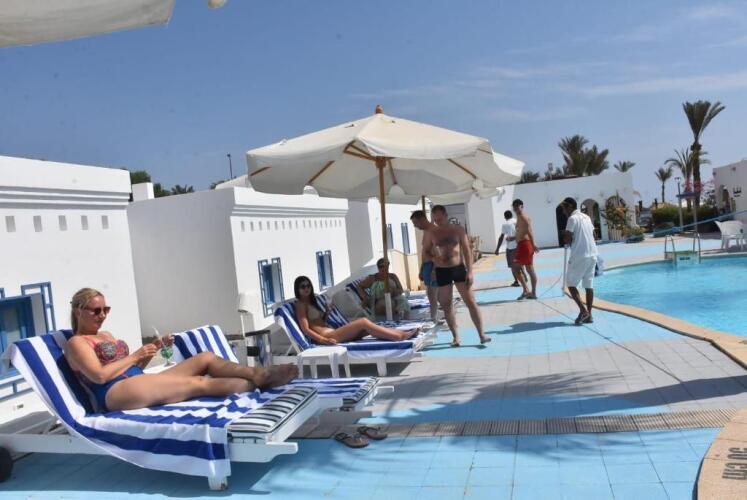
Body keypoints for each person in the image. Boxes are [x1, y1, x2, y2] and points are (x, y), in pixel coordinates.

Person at [64, 288, 297, 412]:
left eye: (106, 309)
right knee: (197, 383)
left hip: (135, 379)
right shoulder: (77, 343)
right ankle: (256, 385)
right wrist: (135, 355)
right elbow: (99, 375)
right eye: (96, 311)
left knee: (205, 358)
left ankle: (258, 375)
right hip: (113, 392)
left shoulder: (106, 335)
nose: (102, 315)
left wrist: (151, 352)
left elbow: (132, 368)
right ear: (78, 312)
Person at [422, 205, 490, 346]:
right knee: (446, 304)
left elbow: (467, 250)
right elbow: (426, 251)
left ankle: (482, 334)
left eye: (440, 219)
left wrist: (470, 271)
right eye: (435, 220)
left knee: (470, 301)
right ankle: (456, 336)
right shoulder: (431, 233)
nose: (438, 222)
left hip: (458, 268)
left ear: (445, 215)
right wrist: (434, 258)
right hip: (442, 271)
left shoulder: (458, 230)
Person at [294, 276, 418, 344]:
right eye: (303, 286)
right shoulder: (300, 305)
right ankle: (400, 337)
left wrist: (327, 312)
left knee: (369, 328)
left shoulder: (311, 302)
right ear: (297, 289)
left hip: (332, 332)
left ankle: (401, 333)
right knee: (363, 322)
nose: (306, 288)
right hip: (328, 336)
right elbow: (305, 329)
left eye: (308, 285)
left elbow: (319, 322)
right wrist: (324, 340)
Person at [560, 197, 599, 325]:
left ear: (570, 207)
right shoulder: (586, 217)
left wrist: (564, 235)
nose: (563, 211)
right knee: (589, 285)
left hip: (580, 255)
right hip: (593, 254)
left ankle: (583, 311)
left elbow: (568, 239)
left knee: (571, 284)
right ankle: (589, 315)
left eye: (564, 208)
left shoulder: (572, 219)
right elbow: (594, 235)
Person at [410, 209, 440, 322]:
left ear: (422, 219)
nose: (415, 226)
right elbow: (425, 252)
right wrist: (422, 269)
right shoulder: (426, 231)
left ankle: (434, 318)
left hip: (433, 265)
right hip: (427, 265)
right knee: (432, 295)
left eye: (415, 223)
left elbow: (438, 253)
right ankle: (435, 317)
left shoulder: (434, 231)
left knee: (434, 295)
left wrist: (434, 270)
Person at [512, 199, 539, 300]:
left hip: (524, 245)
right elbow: (521, 232)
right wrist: (513, 238)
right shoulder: (519, 217)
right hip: (522, 244)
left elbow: (529, 231)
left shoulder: (523, 217)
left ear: (522, 206)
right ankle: (531, 292)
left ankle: (527, 290)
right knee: (529, 269)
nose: (515, 208)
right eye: (514, 206)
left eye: (517, 206)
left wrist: (533, 244)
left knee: (516, 268)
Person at [494, 210, 528, 287]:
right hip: (519, 245)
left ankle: (516, 281)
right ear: (511, 215)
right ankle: (524, 274)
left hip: (511, 248)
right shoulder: (517, 221)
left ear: (505, 217)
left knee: (513, 266)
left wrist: (497, 249)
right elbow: (523, 232)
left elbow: (501, 237)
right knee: (519, 263)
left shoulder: (505, 224)